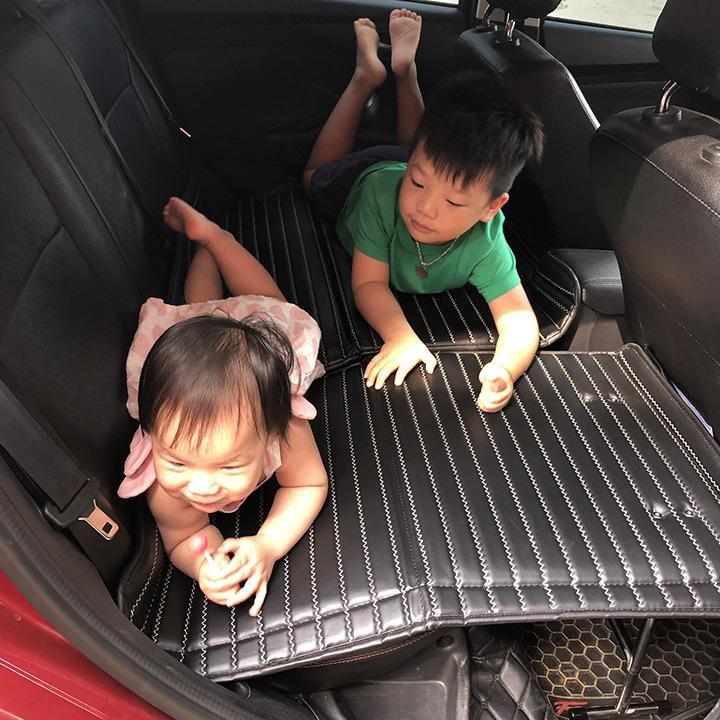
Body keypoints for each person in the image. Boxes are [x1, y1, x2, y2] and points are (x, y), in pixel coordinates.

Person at [303, 9, 544, 413]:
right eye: (418, 186)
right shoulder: (384, 196)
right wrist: (400, 336)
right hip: (370, 177)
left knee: (418, 153)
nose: (425, 209)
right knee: (313, 178)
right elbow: (369, 284)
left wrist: (505, 368)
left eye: (453, 202)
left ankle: (403, 71)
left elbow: (518, 318)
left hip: (412, 163)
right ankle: (366, 77)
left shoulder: (486, 240)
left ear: (491, 208)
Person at [117, 197, 328, 616]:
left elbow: (307, 485)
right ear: (154, 438)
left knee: (268, 303)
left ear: (270, 434)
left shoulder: (283, 428)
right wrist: (206, 566)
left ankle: (216, 239)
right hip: (190, 357)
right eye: (177, 461)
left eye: (229, 466)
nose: (201, 487)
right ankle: (204, 253)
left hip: (258, 344)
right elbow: (182, 537)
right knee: (199, 310)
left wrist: (268, 544)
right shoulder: (163, 483)